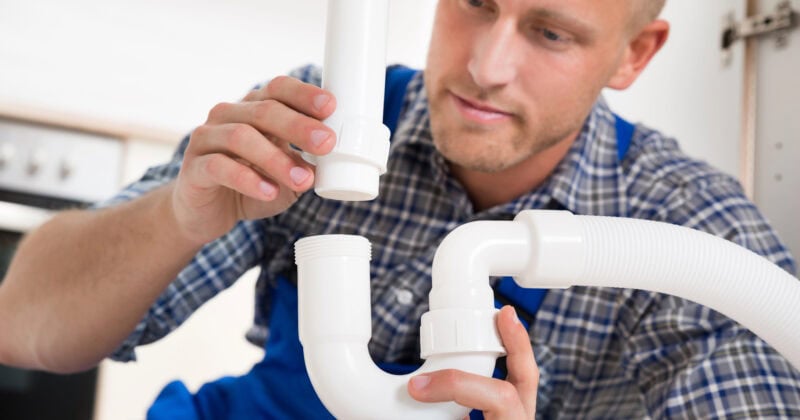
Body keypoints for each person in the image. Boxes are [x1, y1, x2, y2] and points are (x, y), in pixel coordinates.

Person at [1, 0, 798, 418]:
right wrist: (178, 215)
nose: (486, 67)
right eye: (475, 0)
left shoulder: (685, 234)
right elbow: (22, 321)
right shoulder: (322, 121)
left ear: (634, 53)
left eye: (550, 33)